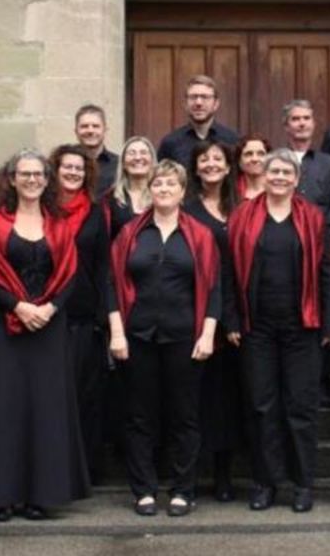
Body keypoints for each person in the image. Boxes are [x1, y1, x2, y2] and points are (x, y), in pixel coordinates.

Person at [0, 149, 90, 522]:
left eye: (39, 174)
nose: (33, 180)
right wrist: (19, 307)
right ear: (12, 178)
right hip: (4, 326)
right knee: (4, 407)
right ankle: (2, 495)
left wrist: (49, 309)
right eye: (25, 174)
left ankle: (41, 494)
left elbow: (70, 273)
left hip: (48, 328)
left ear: (46, 179)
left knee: (44, 410)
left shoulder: (59, 224)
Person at [228, 149, 330, 514]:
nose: (278, 177)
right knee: (262, 407)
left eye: (285, 172)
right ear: (263, 173)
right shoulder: (244, 215)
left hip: (302, 326)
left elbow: (327, 271)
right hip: (256, 326)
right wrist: (231, 320)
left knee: (301, 408)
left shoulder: (312, 217)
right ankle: (265, 482)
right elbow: (228, 274)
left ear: (296, 179)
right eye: (273, 170)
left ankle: (302, 484)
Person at [108, 160, 221, 517]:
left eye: (171, 184)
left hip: (185, 338)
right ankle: (143, 490)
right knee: (140, 416)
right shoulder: (130, 233)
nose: (164, 190)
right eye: (158, 184)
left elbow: (215, 287)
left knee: (184, 416)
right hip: (138, 336)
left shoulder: (200, 235)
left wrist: (207, 334)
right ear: (150, 190)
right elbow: (111, 284)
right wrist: (116, 333)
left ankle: (182, 490)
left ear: (183, 191)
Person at [184, 141, 244, 502]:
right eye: (203, 159)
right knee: (196, 399)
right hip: (198, 314)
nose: (210, 164)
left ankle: (224, 475)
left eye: (217, 159)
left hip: (236, 317)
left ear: (227, 167)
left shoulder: (241, 208)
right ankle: (191, 475)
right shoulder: (187, 210)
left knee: (229, 399)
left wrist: (234, 316)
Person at [51, 144, 111, 484]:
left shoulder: (95, 213)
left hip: (84, 316)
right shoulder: (43, 210)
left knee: (85, 395)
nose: (73, 172)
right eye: (66, 167)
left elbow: (104, 265)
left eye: (78, 168)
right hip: (47, 314)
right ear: (55, 171)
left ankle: (85, 469)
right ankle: (55, 466)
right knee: (53, 395)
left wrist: (104, 314)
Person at [282, 99, 330, 233]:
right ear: (286, 126)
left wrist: (323, 237)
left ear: (313, 124)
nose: (302, 123)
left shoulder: (329, 164)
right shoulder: (277, 162)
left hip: (321, 239)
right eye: (295, 119)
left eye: (306, 118)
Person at [157, 75, 241, 167]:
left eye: (205, 97)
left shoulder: (232, 140)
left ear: (216, 104)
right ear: (185, 104)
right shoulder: (170, 143)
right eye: (193, 97)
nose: (198, 103)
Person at [107, 136, 155, 240]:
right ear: (123, 163)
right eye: (131, 153)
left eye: (143, 152)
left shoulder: (162, 195)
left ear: (152, 161)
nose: (138, 158)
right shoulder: (110, 199)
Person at [75, 104, 118, 198]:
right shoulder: (64, 164)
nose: (90, 130)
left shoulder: (119, 165)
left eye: (95, 126)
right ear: (76, 131)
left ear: (105, 130)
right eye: (84, 126)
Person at [235, 135, 270, 201]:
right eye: (248, 154)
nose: (255, 159)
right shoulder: (231, 192)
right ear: (239, 161)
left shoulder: (278, 189)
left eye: (261, 154)